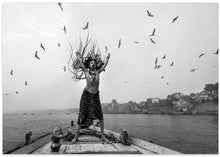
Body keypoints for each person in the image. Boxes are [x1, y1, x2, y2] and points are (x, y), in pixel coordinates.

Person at [71, 50, 110, 143]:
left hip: (95, 96)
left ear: (96, 65)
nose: (93, 64)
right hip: (86, 95)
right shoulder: (86, 72)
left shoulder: (98, 72)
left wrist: (107, 59)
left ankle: (103, 137)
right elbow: (80, 63)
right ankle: (76, 137)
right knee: (82, 115)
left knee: (100, 115)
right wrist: (78, 56)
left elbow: (104, 66)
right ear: (89, 65)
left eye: (94, 63)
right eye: (91, 63)